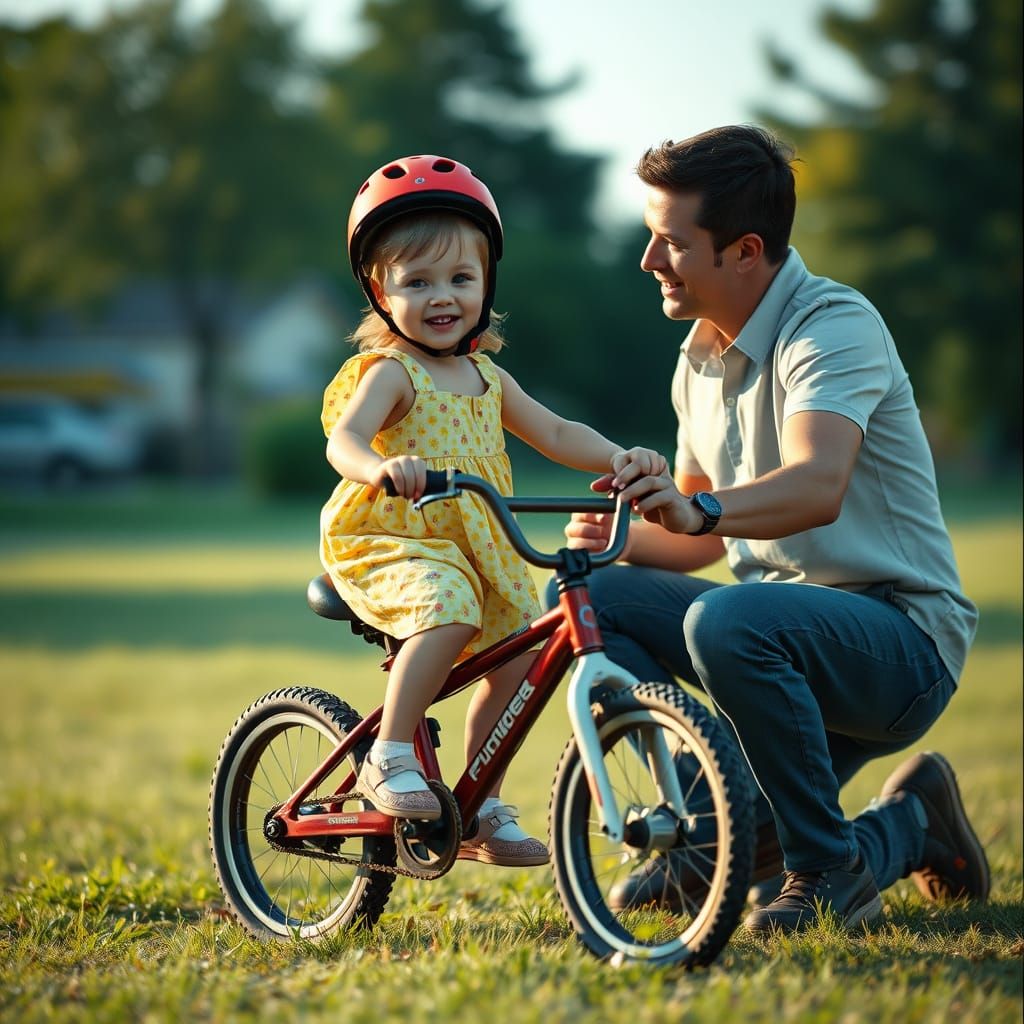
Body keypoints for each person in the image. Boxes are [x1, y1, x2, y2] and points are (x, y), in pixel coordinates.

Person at [563, 125, 988, 932]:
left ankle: (827, 869)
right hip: (772, 641)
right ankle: (841, 823)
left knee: (724, 616)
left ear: (745, 250)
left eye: (670, 243)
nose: (649, 261)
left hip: (901, 643)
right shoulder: (697, 360)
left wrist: (704, 508)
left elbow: (816, 484)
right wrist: (611, 540)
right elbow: (698, 536)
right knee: (603, 597)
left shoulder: (832, 325)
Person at [320, 154, 665, 868]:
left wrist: (621, 459)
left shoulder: (488, 377)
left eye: (459, 278)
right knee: (450, 606)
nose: (441, 296)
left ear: (486, 285)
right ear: (381, 292)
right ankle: (388, 753)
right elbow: (344, 441)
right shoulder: (394, 373)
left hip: (475, 546)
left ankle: (478, 802)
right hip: (391, 539)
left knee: (520, 653)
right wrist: (383, 468)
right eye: (417, 282)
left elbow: (560, 434)